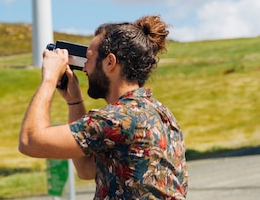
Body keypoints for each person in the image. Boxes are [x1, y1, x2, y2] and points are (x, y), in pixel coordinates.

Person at [19, 15, 188, 199]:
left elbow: (29, 141)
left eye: (89, 59)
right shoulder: (160, 113)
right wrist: (74, 100)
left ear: (110, 62)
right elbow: (85, 169)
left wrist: (49, 77)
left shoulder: (117, 117)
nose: (84, 69)